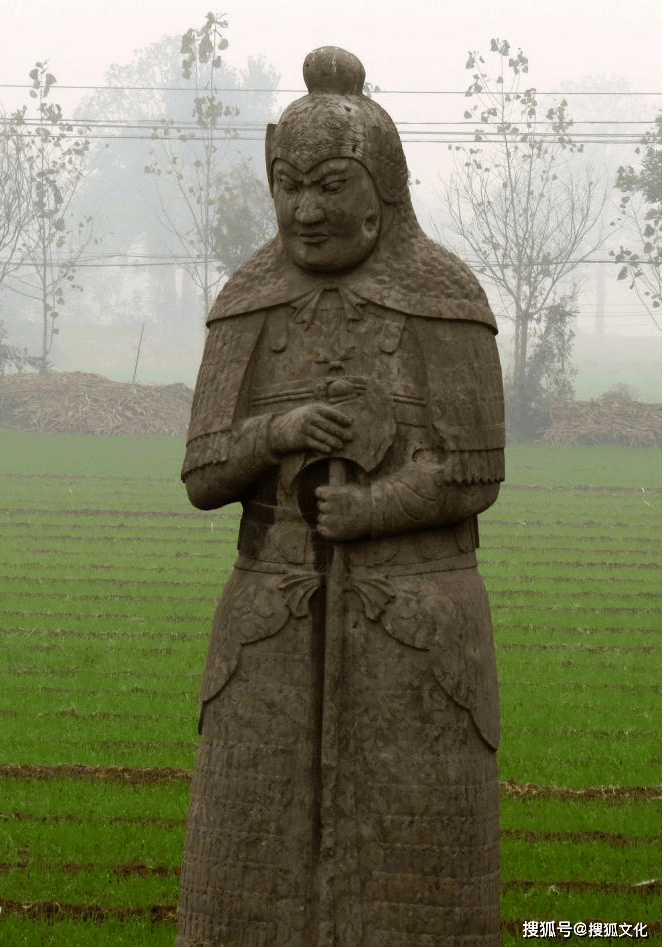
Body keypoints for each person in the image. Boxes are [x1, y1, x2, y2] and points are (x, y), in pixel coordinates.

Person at [177, 46, 505, 948]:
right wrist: (275, 433)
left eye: (329, 185)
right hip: (269, 631)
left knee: (418, 883)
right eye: (288, 185)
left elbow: (476, 469)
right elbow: (202, 476)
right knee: (247, 883)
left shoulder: (444, 298)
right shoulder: (247, 302)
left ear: (382, 192)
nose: (306, 210)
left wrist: (377, 508)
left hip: (417, 629)